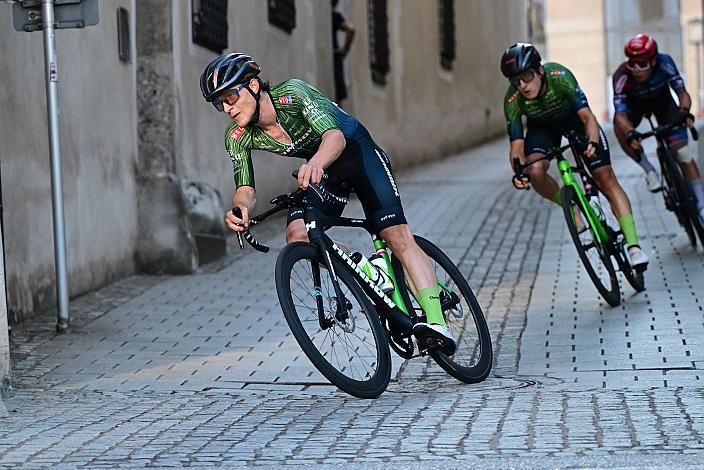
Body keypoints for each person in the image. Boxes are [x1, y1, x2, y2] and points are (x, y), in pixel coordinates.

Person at [200, 53, 455, 353]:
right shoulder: (238, 136)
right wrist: (241, 207)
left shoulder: (292, 94)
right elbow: (245, 186)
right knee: (298, 235)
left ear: (254, 85)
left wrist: (316, 163)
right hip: (323, 169)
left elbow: (334, 137)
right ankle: (367, 272)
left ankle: (437, 325)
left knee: (395, 236)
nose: (226, 108)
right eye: (219, 103)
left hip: (356, 154)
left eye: (230, 96)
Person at [501, 43, 649, 270]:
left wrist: (592, 142)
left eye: (527, 76)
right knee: (535, 171)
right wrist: (518, 172)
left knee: (605, 178)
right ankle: (571, 206)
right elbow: (517, 147)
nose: (522, 85)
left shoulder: (560, 77)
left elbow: (588, 117)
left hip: (575, 121)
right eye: (515, 81)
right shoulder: (513, 99)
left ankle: (634, 247)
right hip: (542, 129)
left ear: (539, 71)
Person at [612, 34, 704, 221]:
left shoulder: (665, 63)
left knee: (683, 153)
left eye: (643, 64)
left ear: (653, 61)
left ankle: (702, 204)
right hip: (634, 107)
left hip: (663, 103)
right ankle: (649, 170)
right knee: (618, 128)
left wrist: (685, 112)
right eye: (632, 64)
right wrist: (630, 132)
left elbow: (682, 93)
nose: (637, 70)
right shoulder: (621, 75)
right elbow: (620, 115)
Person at [331, 0, 355, 108]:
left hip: (334, 58)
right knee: (338, 96)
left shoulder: (332, 17)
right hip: (335, 59)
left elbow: (351, 29)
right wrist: (345, 49)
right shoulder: (335, 16)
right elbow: (351, 29)